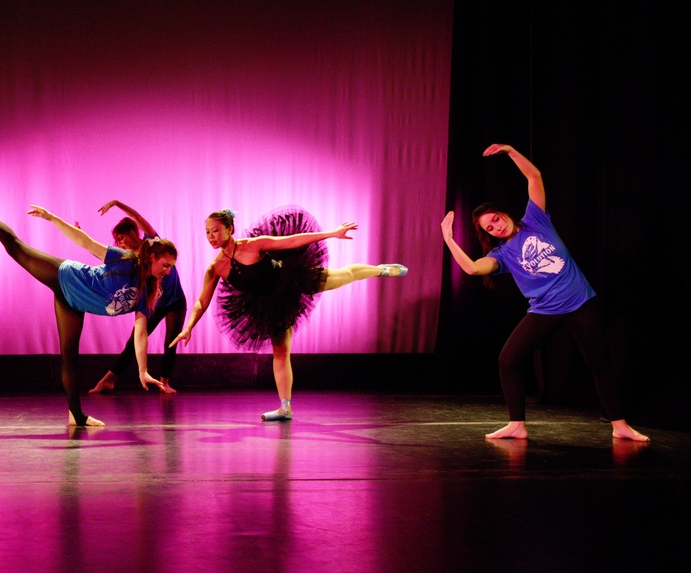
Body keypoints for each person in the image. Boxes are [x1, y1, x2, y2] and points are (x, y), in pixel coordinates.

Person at [440, 143, 649, 442]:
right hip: (544, 311)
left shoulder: (535, 220)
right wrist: (449, 239)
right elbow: (473, 268)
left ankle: (620, 425)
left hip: (580, 303)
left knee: (600, 364)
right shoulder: (502, 255)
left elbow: (534, 177)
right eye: (489, 229)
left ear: (503, 213)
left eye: (495, 219)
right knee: (508, 360)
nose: (496, 228)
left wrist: (510, 151)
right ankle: (517, 424)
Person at [0, 200, 178, 426]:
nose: (168, 272)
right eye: (165, 265)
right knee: (16, 249)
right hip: (65, 276)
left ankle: (76, 415)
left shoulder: (147, 293)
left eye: (170, 267)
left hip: (74, 304)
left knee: (69, 357)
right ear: (152, 258)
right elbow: (86, 242)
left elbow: (140, 332)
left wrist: (142, 371)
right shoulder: (126, 261)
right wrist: (51, 218)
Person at [170, 206, 407, 421]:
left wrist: (332, 233)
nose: (211, 236)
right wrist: (188, 327)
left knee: (343, 276)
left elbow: (292, 241)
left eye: (215, 230)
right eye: (207, 232)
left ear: (230, 229)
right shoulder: (216, 268)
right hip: (271, 304)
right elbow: (202, 302)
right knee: (281, 352)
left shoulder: (252, 245)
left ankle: (381, 270)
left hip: (292, 280)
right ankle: (285, 408)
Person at [88, 200, 187, 395]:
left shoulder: (153, 244)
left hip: (175, 300)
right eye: (117, 240)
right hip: (153, 303)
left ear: (133, 233)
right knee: (135, 341)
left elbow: (138, 217)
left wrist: (117, 203)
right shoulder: (131, 258)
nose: (119, 242)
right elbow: (107, 260)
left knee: (171, 341)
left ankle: (164, 382)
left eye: (121, 237)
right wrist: (82, 236)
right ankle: (109, 379)